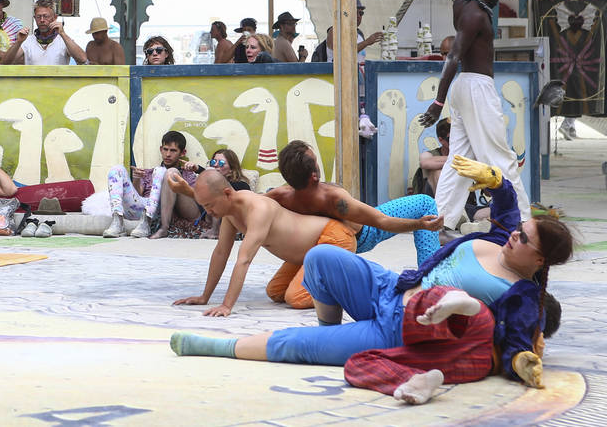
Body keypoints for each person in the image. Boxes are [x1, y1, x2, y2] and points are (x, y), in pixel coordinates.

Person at [168, 157, 573, 401]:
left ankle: (222, 346)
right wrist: (497, 181)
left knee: (298, 337)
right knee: (320, 258)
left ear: (538, 260)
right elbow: (507, 209)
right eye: (518, 228)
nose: (514, 234)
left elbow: (521, 332)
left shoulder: (520, 293)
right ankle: (332, 329)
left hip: (407, 327)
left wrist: (523, 357)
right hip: (392, 288)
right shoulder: (503, 238)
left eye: (524, 238)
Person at [419, 0, 531, 230]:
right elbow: (453, 57)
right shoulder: (475, 14)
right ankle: (522, 221)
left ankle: (441, 221)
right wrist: (437, 102)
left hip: (465, 88)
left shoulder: (462, 2)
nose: (497, 3)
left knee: (459, 162)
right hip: (477, 88)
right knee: (500, 155)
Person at [168, 170, 359, 313]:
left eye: (209, 206)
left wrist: (227, 305)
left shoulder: (258, 210)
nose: (208, 212)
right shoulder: (229, 213)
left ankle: (347, 283)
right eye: (204, 207)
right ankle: (326, 275)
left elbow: (244, 260)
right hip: (305, 253)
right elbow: (220, 253)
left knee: (296, 298)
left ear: (227, 193)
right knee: (276, 292)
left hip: (333, 237)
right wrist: (204, 297)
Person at [343, 286, 560, 405]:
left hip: (480, 323)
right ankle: (415, 380)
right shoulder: (533, 344)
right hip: (478, 364)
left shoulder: (529, 305)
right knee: (357, 362)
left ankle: (459, 301)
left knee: (437, 299)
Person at [266, 140, 442, 268]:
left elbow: (251, 203)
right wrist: (420, 224)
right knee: (425, 202)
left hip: (318, 243)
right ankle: (431, 274)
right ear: (314, 175)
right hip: (364, 235)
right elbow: (382, 221)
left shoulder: (282, 196)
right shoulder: (334, 198)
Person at [101, 131, 192, 239]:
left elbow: (191, 203)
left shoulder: (187, 175)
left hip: (161, 213)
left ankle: (148, 221)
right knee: (117, 169)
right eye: (165, 149)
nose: (168, 154)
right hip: (140, 210)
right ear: (160, 149)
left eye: (173, 151)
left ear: (182, 153)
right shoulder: (149, 172)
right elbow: (138, 196)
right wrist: (137, 179)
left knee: (161, 171)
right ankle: (117, 221)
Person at [3, 0, 88, 66]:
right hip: (33, 86)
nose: (42, 20)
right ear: (34, 18)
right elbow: (5, 63)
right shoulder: (27, 41)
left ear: (55, 17)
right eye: (39, 17)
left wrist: (63, 34)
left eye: (46, 16)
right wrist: (18, 42)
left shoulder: (63, 40)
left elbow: (82, 59)